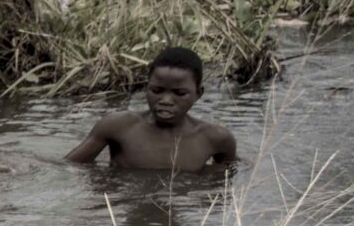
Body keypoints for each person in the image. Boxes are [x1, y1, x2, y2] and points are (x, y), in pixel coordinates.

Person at [64, 45, 237, 170]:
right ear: (146, 88)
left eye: (180, 93)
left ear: (198, 93)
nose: (166, 100)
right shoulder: (118, 126)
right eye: (157, 90)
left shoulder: (217, 139)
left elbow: (225, 182)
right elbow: (68, 167)